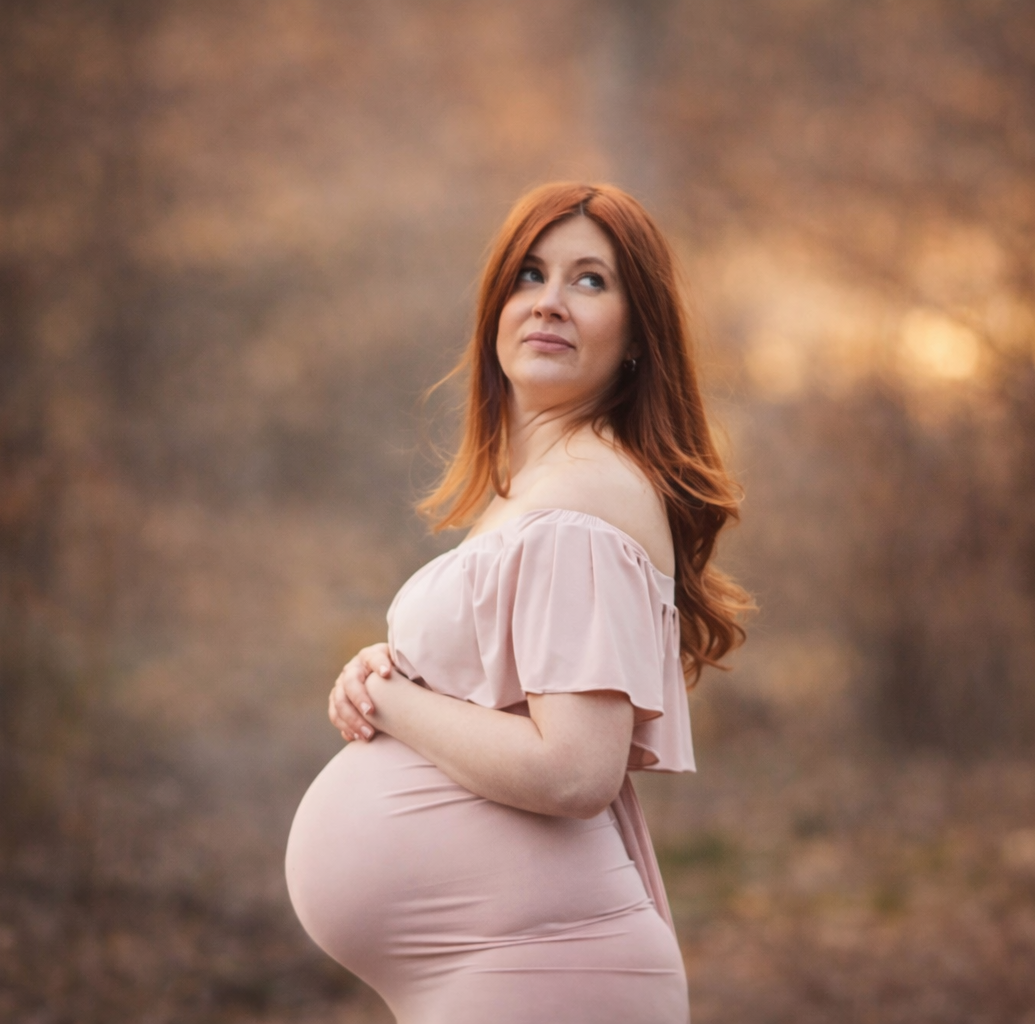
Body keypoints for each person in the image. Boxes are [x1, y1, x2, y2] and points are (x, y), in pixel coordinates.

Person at [284, 181, 751, 1024]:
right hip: (509, 970)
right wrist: (397, 677)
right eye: (529, 275)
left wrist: (390, 701)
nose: (549, 302)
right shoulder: (541, 491)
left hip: (542, 969)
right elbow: (500, 703)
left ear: (638, 335)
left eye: (590, 281)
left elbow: (573, 769)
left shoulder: (583, 501)